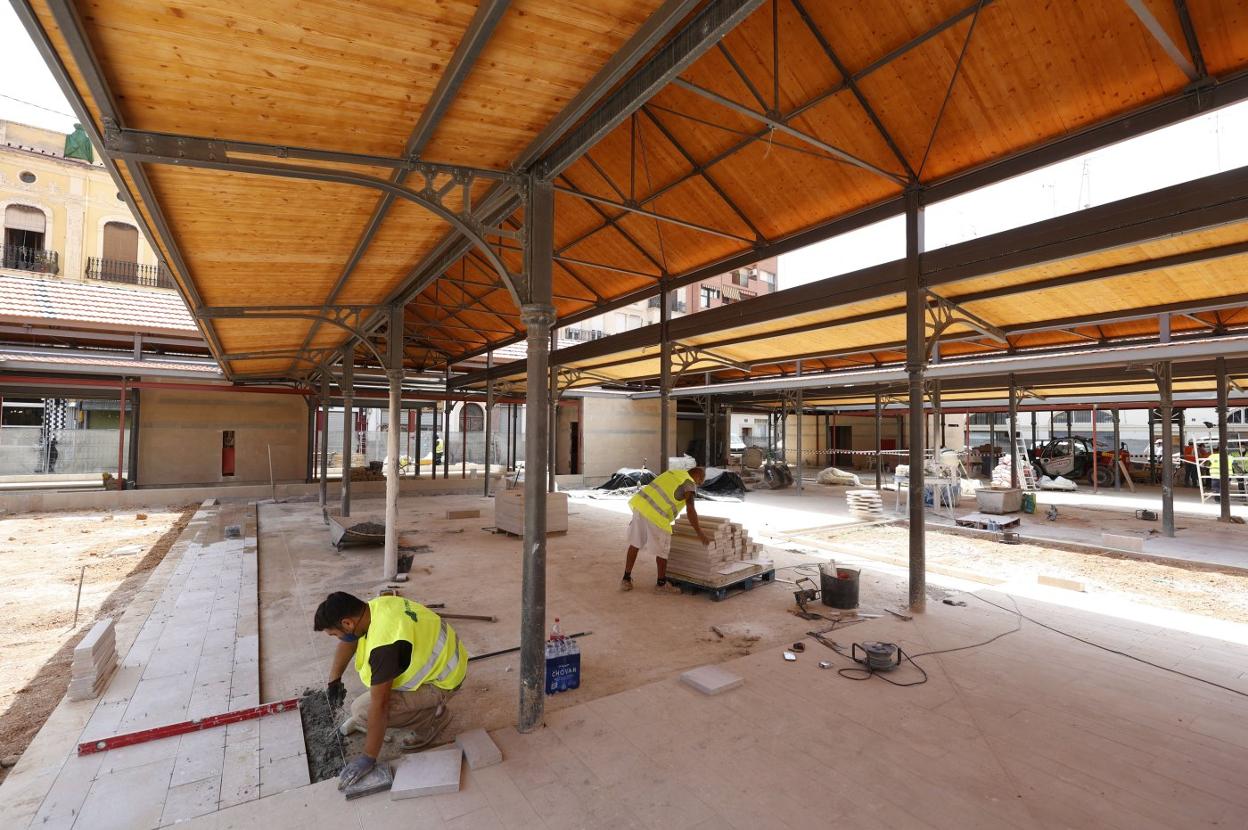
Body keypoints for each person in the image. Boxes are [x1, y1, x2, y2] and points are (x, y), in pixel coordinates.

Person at [314, 591, 467, 791]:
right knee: (370, 696)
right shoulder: (376, 607)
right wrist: (334, 680)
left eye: (335, 634)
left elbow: (381, 706)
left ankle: (433, 719)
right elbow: (349, 641)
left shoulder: (384, 648)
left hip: (444, 681)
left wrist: (368, 757)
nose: (338, 638)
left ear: (347, 623)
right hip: (447, 659)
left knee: (363, 711)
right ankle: (427, 708)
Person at [620, 467, 709, 594]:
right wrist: (699, 532)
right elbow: (690, 509)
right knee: (662, 551)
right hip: (657, 516)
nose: (699, 484)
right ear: (699, 477)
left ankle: (626, 579)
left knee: (635, 543)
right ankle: (661, 585)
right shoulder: (689, 484)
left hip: (641, 506)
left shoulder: (673, 472)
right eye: (701, 481)